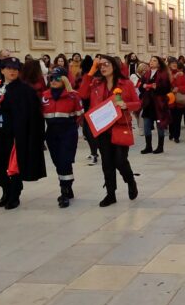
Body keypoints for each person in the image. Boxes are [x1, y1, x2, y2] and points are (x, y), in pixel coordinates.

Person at [0, 57, 46, 210]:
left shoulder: (25, 90)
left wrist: (34, 136)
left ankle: (14, 194)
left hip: (16, 134)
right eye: (9, 68)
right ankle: (6, 189)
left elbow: (34, 115)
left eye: (15, 69)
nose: (12, 71)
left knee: (14, 165)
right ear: (2, 70)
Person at [78, 55, 140, 207]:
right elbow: (82, 94)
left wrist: (127, 105)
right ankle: (110, 194)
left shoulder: (125, 83)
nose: (103, 67)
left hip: (120, 127)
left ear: (114, 66)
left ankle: (130, 181)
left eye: (106, 64)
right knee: (107, 162)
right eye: (100, 66)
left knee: (120, 160)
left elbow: (137, 103)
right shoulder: (96, 83)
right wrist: (91, 71)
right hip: (102, 128)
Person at [41, 67, 83, 208]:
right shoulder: (45, 96)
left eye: (57, 78)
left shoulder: (73, 96)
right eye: (51, 78)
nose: (53, 81)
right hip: (52, 134)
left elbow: (79, 115)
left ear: (64, 79)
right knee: (58, 162)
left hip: (68, 133)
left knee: (65, 161)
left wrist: (72, 129)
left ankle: (64, 191)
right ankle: (68, 186)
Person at [139, 56, 171, 154]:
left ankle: (160, 146)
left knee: (159, 125)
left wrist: (156, 87)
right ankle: (148, 146)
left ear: (159, 63)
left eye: (154, 61)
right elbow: (141, 87)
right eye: (151, 60)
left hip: (159, 104)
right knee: (146, 125)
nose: (152, 62)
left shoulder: (163, 74)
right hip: (148, 103)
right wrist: (143, 86)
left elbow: (167, 89)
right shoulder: (146, 74)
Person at [79, 56, 99, 165]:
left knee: (89, 132)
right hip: (89, 108)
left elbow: (84, 93)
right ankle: (94, 153)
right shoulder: (88, 76)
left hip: (92, 109)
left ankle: (94, 154)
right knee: (88, 132)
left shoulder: (91, 77)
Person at [167, 59, 185, 143]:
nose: (174, 64)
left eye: (175, 63)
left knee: (178, 119)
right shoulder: (167, 74)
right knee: (171, 119)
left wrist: (178, 88)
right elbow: (165, 85)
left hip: (179, 100)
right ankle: (171, 133)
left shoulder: (181, 74)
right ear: (169, 65)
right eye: (172, 63)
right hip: (170, 100)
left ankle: (177, 136)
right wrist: (173, 78)